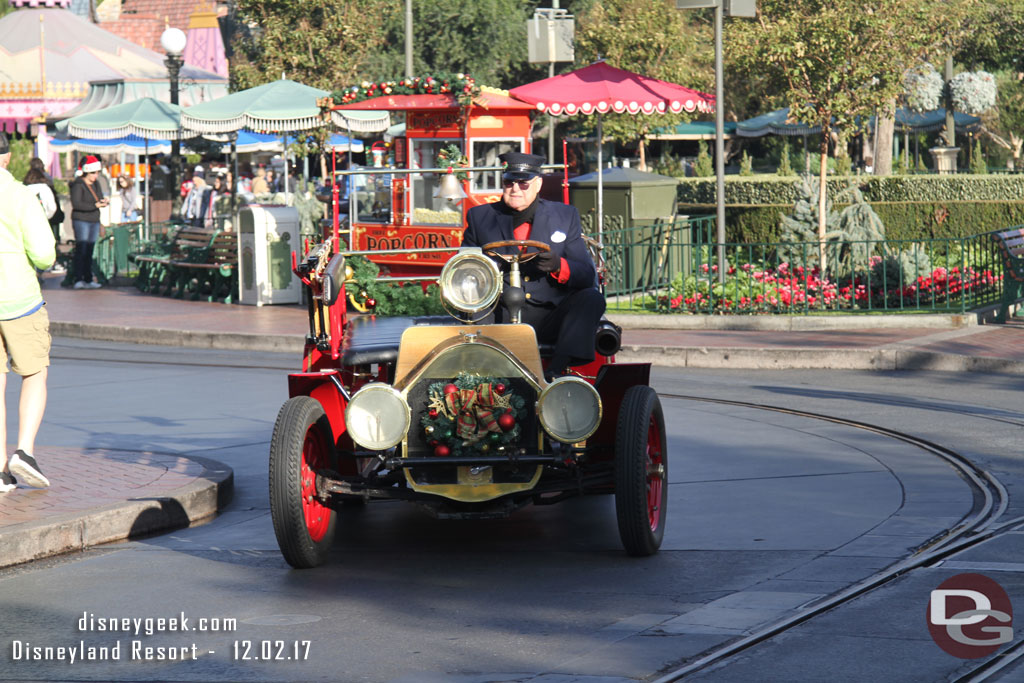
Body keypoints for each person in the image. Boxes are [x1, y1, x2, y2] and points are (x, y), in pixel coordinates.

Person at [462, 151, 605, 378]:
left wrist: (559, 266)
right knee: (471, 306)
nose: (515, 189)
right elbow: (462, 272)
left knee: (592, 299)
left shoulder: (564, 216)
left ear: (538, 184)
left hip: (550, 315)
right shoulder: (480, 217)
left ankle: (557, 371)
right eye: (509, 182)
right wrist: (485, 270)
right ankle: (483, 374)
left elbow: (587, 275)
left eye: (523, 183)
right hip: (497, 315)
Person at [0, 132, 56, 491]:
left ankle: (1, 472)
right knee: (34, 372)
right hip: (18, 299)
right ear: (5, 157)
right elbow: (44, 255)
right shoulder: (21, 197)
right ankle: (24, 451)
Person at [68, 155, 108, 289]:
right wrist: (94, 206)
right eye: (93, 173)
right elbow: (77, 204)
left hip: (94, 220)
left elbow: (99, 197)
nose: (95, 175)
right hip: (81, 220)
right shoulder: (78, 185)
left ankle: (88, 278)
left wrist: (103, 202)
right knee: (82, 249)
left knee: (90, 250)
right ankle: (78, 278)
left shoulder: (96, 184)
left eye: (97, 172)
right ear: (86, 172)